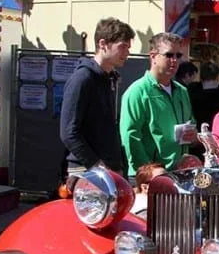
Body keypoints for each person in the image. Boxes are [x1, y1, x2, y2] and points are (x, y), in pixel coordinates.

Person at [59, 17, 132, 178]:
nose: (127, 52)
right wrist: (95, 165)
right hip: (86, 172)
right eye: (122, 46)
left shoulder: (110, 78)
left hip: (109, 169)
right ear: (102, 44)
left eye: (128, 47)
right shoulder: (82, 78)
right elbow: (68, 132)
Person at [119, 32, 196, 176]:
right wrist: (149, 172)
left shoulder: (182, 91)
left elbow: (191, 124)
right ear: (153, 56)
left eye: (178, 56)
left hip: (180, 172)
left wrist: (193, 135)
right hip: (148, 176)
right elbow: (130, 137)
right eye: (168, 55)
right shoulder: (137, 92)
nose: (174, 60)